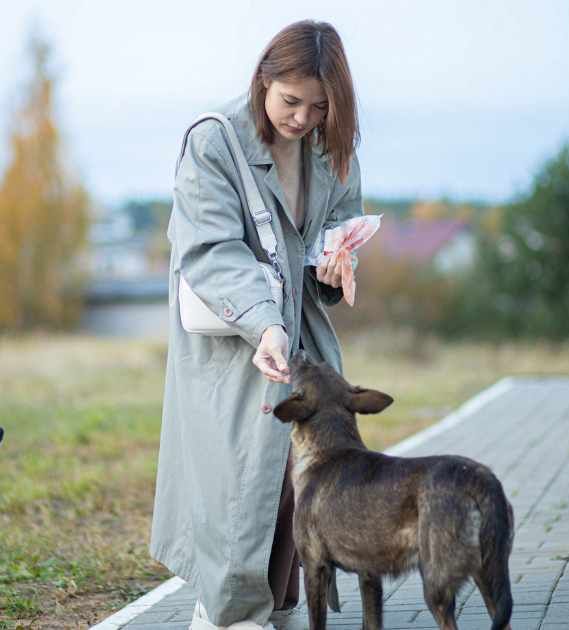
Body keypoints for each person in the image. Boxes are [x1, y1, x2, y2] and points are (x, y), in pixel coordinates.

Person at [149, 20, 362, 630]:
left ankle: (281, 605)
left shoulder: (332, 145)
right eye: (291, 100)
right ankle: (227, 613)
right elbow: (213, 250)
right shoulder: (213, 141)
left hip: (301, 343)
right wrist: (266, 324)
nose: (302, 118)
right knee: (238, 482)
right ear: (263, 79)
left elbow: (329, 238)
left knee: (300, 477)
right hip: (235, 343)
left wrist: (337, 266)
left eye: (319, 107)